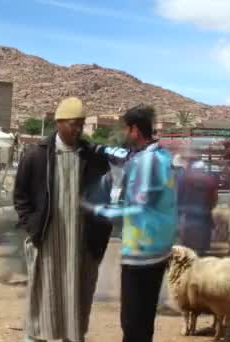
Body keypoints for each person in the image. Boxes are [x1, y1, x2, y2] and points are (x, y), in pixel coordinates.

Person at [14, 97, 113, 342]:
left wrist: (100, 237)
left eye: (81, 123)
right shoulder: (36, 156)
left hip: (82, 244)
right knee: (43, 297)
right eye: (73, 123)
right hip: (48, 241)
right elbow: (20, 196)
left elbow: (104, 199)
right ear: (58, 123)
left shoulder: (93, 159)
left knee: (77, 298)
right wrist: (32, 226)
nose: (78, 129)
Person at [84, 104, 178, 342]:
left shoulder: (145, 163)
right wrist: (99, 148)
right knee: (143, 320)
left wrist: (95, 208)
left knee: (133, 323)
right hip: (157, 249)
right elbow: (125, 155)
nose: (125, 134)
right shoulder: (159, 155)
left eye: (127, 129)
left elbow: (138, 207)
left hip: (142, 252)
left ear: (135, 130)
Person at [177, 155, 218, 255]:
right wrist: (210, 207)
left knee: (188, 241)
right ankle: (201, 252)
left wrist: (179, 209)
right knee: (203, 238)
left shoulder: (184, 176)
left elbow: (179, 194)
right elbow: (214, 196)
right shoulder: (208, 177)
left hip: (189, 212)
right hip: (204, 212)